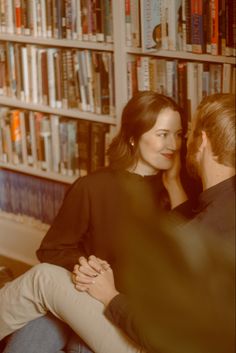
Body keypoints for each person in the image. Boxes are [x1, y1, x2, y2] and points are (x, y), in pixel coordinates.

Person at [0, 93, 234, 353]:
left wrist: (175, 185)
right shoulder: (93, 186)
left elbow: (175, 250)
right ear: (134, 137)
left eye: (179, 135)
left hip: (127, 310)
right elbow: (52, 249)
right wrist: (87, 269)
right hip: (92, 289)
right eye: (162, 134)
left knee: (62, 324)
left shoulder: (191, 191)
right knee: (42, 323)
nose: (174, 144)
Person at [72, 93, 235, 353]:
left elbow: (159, 334)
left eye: (184, 133)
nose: (177, 144)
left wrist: (109, 295)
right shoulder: (218, 207)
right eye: (163, 134)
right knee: (50, 322)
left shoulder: (202, 230)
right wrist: (173, 182)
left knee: (42, 281)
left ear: (202, 140)